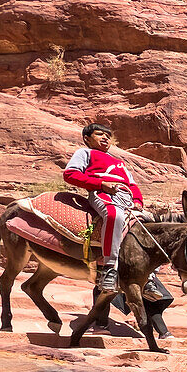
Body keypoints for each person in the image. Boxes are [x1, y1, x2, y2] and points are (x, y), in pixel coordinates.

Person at [63, 123, 160, 295]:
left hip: (127, 197)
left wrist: (137, 201)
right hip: (102, 193)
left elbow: (132, 184)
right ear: (87, 139)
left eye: (107, 135)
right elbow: (70, 174)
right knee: (114, 215)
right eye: (99, 134)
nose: (105, 138)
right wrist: (101, 184)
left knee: (151, 224)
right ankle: (109, 268)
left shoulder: (119, 163)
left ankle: (149, 276)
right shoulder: (85, 153)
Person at [91, 275, 174, 338]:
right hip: (137, 269)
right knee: (147, 295)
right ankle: (164, 333)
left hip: (121, 267)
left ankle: (101, 326)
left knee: (103, 287)